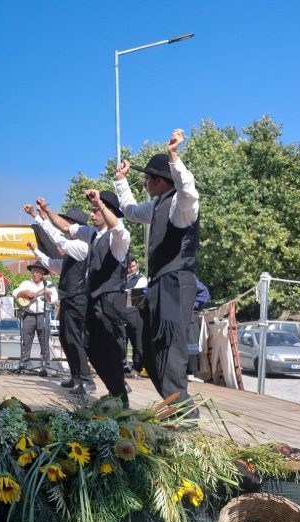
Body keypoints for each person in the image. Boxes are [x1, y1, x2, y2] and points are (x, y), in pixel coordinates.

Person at [114, 129, 200, 417]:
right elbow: (129, 210)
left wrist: (174, 157)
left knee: (171, 351)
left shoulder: (180, 205)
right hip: (158, 284)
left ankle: (185, 415)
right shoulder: (157, 204)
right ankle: (172, 404)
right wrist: (120, 181)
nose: (145, 183)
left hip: (177, 283)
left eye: (147, 179)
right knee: (148, 346)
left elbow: (188, 191)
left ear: (160, 181)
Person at [41, 190, 131, 405]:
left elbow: (117, 226)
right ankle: (114, 388)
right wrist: (46, 211)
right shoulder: (91, 233)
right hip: (93, 297)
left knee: (110, 346)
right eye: (92, 210)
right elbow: (64, 227)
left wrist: (100, 203)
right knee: (90, 345)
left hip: (110, 299)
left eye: (96, 210)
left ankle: (121, 397)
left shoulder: (120, 236)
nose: (92, 214)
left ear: (107, 210)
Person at [27, 203, 94, 393]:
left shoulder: (82, 246)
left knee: (75, 339)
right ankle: (75, 376)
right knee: (66, 338)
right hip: (69, 298)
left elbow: (58, 239)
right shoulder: (71, 251)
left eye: (68, 223)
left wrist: (39, 218)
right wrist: (35, 252)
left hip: (78, 298)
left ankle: (86, 379)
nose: (64, 227)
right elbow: (54, 265)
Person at [13, 261, 58, 375]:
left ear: (42, 273)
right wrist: (24, 291)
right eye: (33, 272)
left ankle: (45, 365)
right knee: (26, 341)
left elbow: (54, 300)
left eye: (37, 272)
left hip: (43, 315)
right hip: (29, 315)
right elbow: (15, 293)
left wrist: (47, 294)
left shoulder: (49, 284)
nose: (35, 274)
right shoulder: (26, 283)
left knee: (44, 341)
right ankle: (24, 364)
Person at [123, 257, 147, 377]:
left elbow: (137, 293)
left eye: (133, 266)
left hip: (135, 312)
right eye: (129, 267)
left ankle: (138, 368)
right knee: (122, 339)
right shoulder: (123, 279)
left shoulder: (142, 279)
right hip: (123, 312)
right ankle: (124, 366)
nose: (131, 269)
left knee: (137, 341)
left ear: (137, 266)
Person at [187, 278, 210, 380]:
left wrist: (194, 304)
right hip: (174, 315)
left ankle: (190, 372)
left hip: (189, 315)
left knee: (191, 343)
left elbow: (204, 292)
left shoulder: (191, 278)